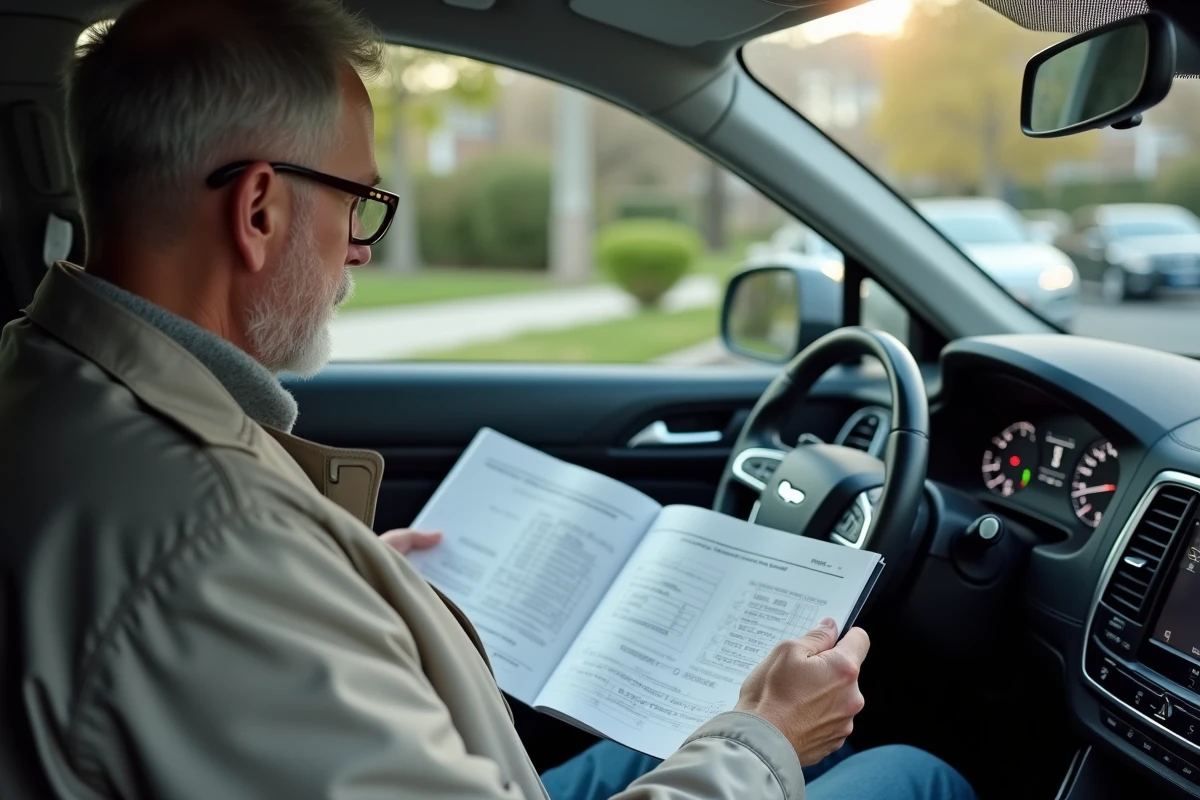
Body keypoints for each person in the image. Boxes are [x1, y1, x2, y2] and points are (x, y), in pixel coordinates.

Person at [0, 1, 976, 798]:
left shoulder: (50, 387)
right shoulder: (213, 553)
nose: (362, 246)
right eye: (359, 201)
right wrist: (761, 737)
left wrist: (350, 583)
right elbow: (211, 586)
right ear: (259, 209)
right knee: (910, 772)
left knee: (698, 740)